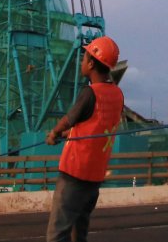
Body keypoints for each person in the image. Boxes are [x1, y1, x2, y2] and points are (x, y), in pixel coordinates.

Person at [45, 36, 125, 242]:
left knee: (57, 234)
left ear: (91, 64)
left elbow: (69, 119)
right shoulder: (117, 95)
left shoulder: (90, 93)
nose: (82, 61)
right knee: (79, 232)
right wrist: (68, 134)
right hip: (95, 177)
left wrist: (54, 133)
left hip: (74, 173)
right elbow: (95, 124)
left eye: (84, 57)